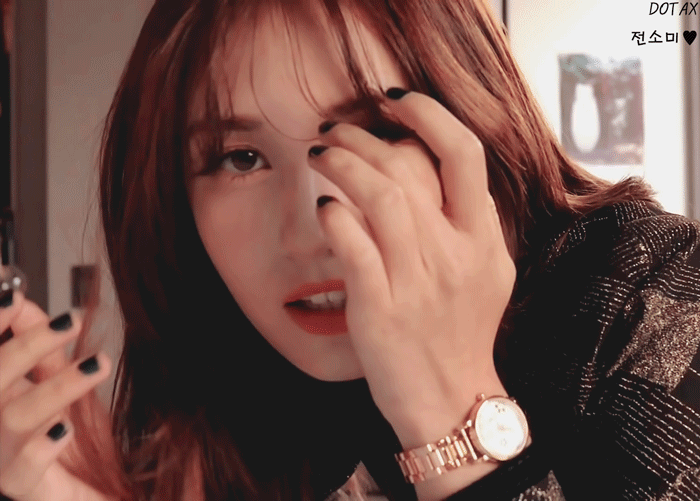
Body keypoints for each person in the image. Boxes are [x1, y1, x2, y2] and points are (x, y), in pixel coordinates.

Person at [1, 0, 700, 500]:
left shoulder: (655, 301)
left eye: (374, 135)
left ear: (479, 124)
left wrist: (453, 413)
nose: (312, 228)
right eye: (241, 158)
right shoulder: (220, 397)